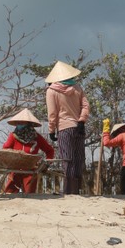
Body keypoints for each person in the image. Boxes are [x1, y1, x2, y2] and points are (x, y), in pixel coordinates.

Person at [45, 61, 89, 194]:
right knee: (78, 159)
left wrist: (51, 130)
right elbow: (86, 106)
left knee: (67, 159)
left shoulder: (51, 91)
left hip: (64, 128)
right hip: (79, 128)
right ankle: (76, 190)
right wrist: (81, 121)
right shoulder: (78, 88)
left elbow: (52, 113)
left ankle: (69, 191)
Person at [2, 108, 55, 193]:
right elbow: (5, 149)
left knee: (30, 195)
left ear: (29, 124)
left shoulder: (37, 137)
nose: (19, 125)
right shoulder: (12, 136)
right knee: (9, 193)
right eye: (18, 123)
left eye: (22, 123)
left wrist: (46, 164)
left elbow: (49, 150)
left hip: (31, 171)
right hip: (15, 170)